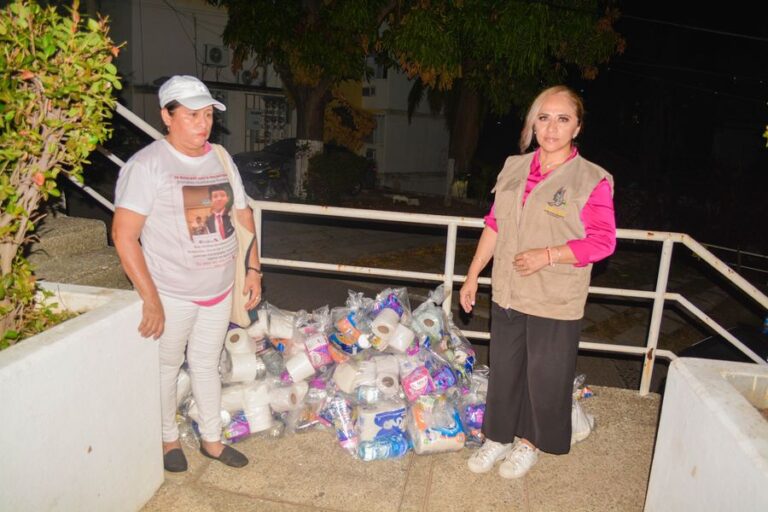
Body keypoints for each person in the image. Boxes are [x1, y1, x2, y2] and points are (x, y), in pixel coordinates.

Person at [459, 85, 616, 479]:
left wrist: (549, 254)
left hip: (554, 295)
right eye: (544, 117)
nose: (552, 127)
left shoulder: (591, 179)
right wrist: (473, 274)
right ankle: (497, 438)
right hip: (509, 291)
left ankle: (529, 443)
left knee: (544, 377)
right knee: (505, 371)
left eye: (563, 119)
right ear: (533, 122)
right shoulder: (514, 166)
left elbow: (603, 241)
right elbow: (495, 223)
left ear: (577, 127)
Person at [112, 75, 263, 472]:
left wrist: (253, 270)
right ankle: (167, 440)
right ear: (167, 115)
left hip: (218, 288)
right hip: (172, 292)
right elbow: (124, 235)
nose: (203, 123)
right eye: (192, 114)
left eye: (209, 114)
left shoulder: (221, 158)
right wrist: (150, 299)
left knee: (206, 363)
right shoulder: (146, 166)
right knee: (164, 367)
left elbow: (243, 214)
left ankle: (212, 440)